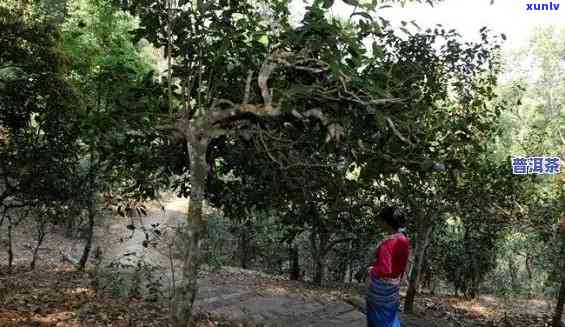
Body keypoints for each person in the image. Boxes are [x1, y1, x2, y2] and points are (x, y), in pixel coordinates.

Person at [366, 206, 411, 327]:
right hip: (393, 288)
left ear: (386, 223)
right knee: (389, 317)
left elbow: (386, 269)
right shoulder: (403, 238)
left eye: (380, 221)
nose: (379, 223)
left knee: (378, 319)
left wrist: (371, 270)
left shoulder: (389, 243)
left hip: (381, 291)